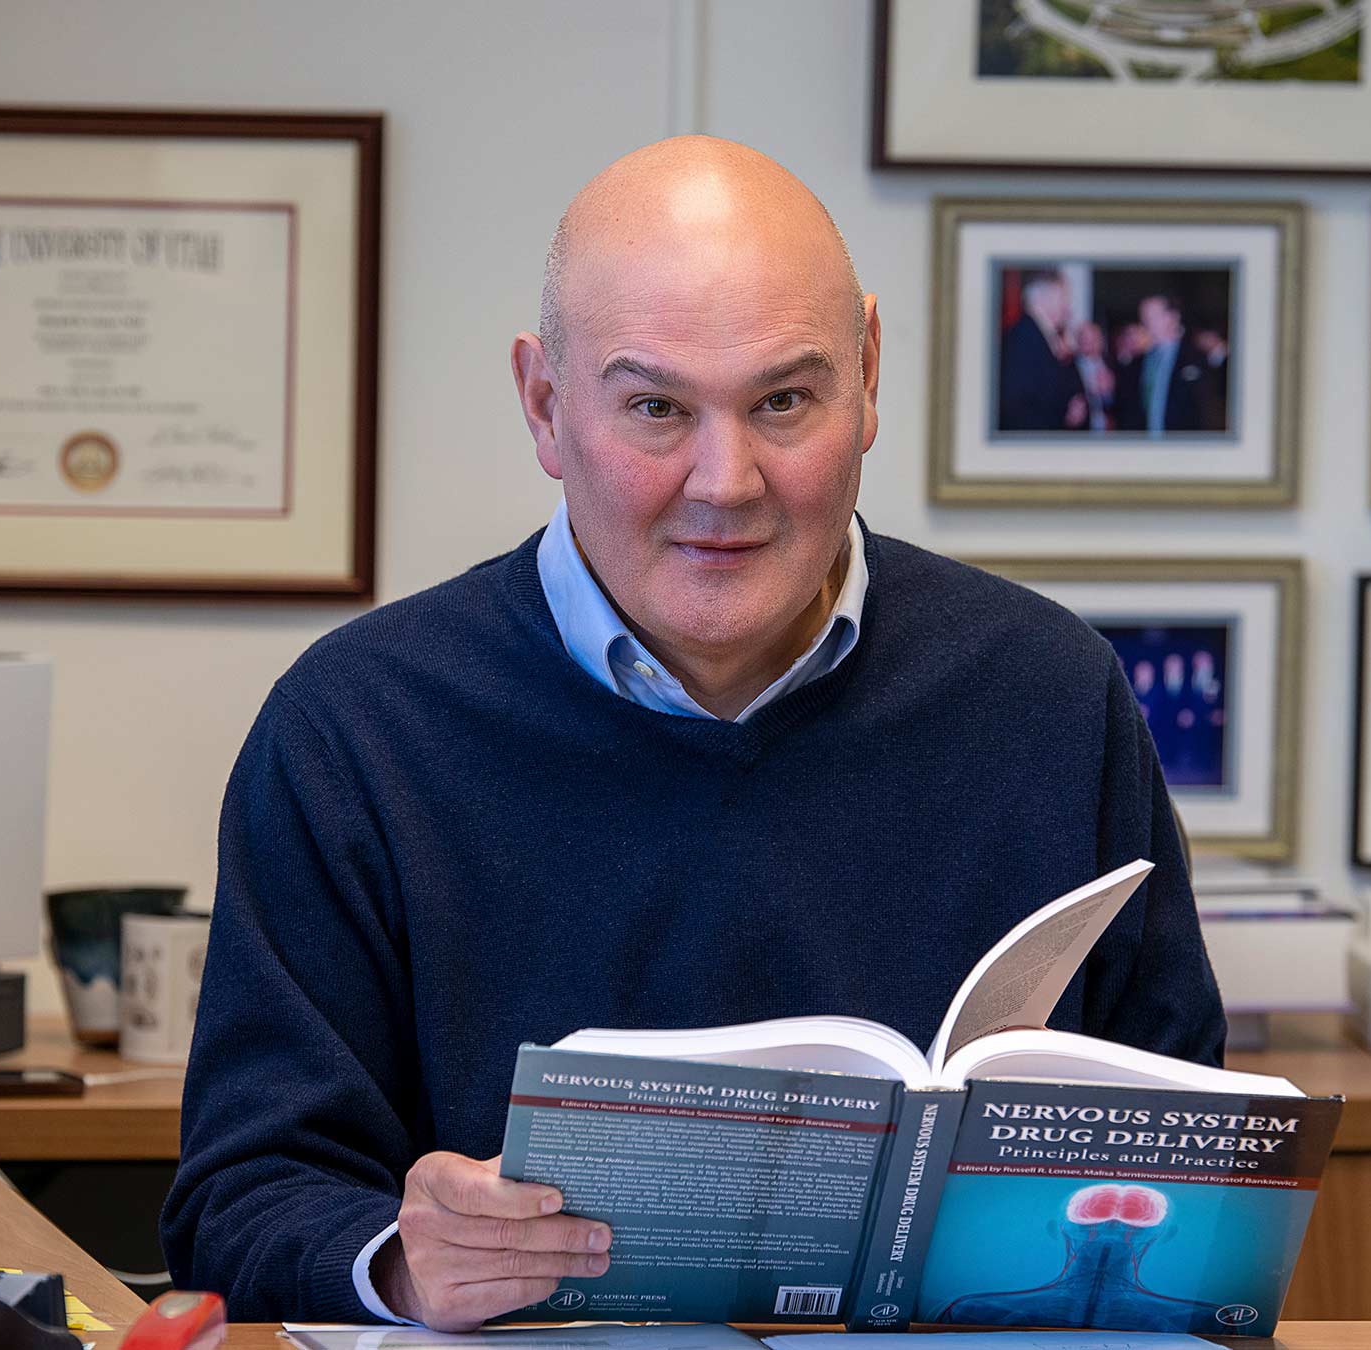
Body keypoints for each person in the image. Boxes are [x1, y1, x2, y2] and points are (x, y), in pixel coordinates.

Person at [159, 137, 1226, 1331]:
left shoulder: (1051, 696)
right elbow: (238, 1203)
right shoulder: (356, 727)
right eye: (656, 408)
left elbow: (1194, 1158)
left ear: (868, 375)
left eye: (784, 401)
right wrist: (405, 1262)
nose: (726, 482)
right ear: (545, 404)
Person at [1113, 295, 1226, 436]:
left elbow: (1207, 412)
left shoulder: (1196, 359)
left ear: (1173, 318)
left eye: (1152, 316)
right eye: (1143, 317)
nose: (1146, 322)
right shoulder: (1136, 363)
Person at [997, 270, 1089, 432]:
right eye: (1064, 297)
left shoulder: (1045, 335)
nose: (1068, 305)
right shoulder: (1022, 337)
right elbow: (1018, 409)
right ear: (1044, 298)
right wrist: (1063, 417)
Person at [1072, 320, 1117, 432]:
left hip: (1110, 434)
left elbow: (1122, 402)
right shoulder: (1068, 368)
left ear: (1101, 341)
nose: (1089, 343)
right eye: (1084, 339)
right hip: (1082, 433)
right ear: (1078, 341)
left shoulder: (1113, 366)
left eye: (1093, 338)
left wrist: (1109, 392)